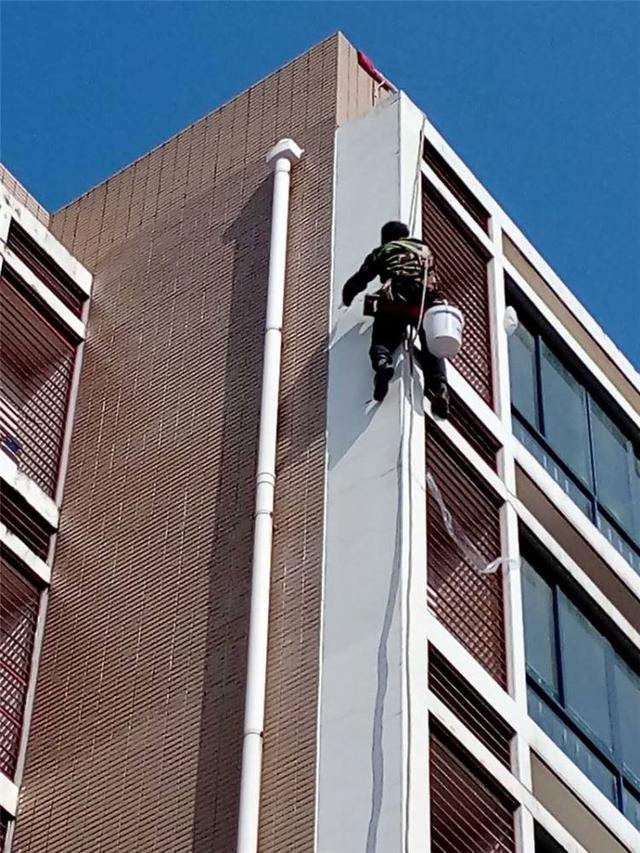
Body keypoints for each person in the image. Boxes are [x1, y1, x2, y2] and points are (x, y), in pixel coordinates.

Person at [341, 221, 450, 417]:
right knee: (432, 348)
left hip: (394, 301)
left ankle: (383, 363)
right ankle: (438, 388)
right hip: (423, 303)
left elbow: (362, 278)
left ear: (386, 237)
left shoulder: (383, 251)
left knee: (382, 340)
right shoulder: (424, 250)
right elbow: (433, 277)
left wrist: (347, 296)